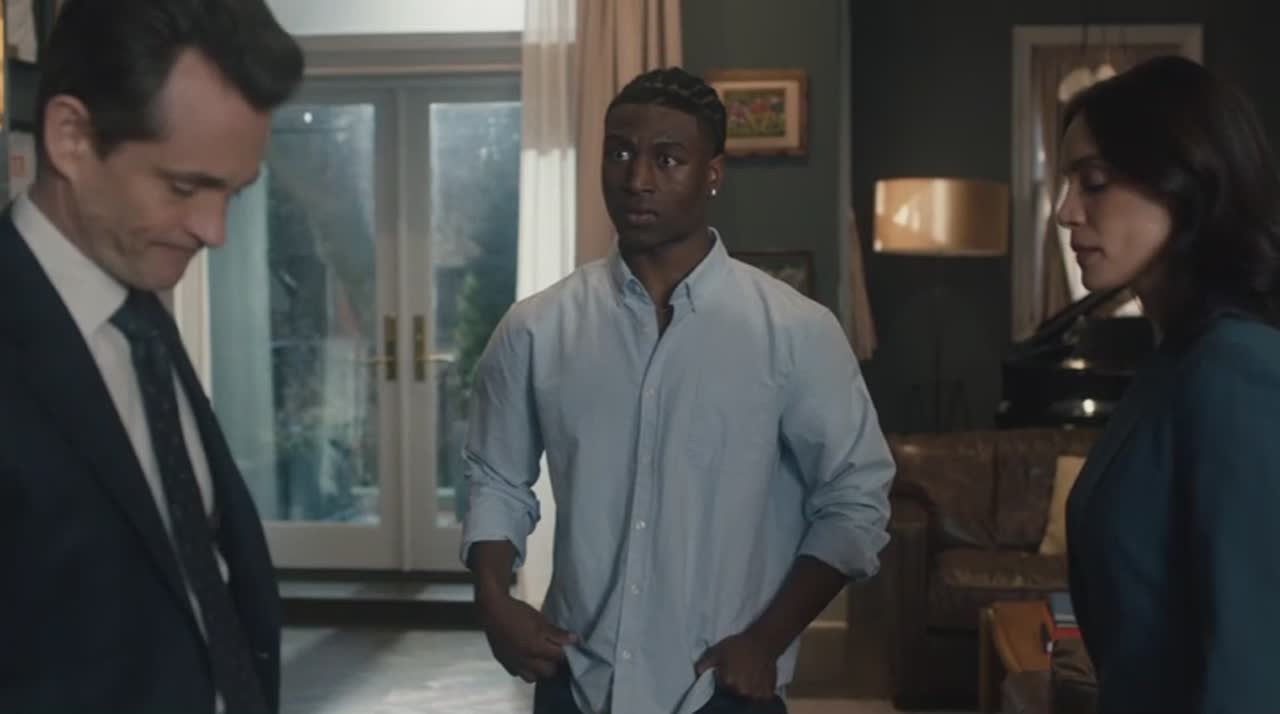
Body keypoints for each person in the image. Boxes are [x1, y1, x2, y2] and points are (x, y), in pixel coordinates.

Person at [461, 67, 894, 714]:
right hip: (575, 683)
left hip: (724, 687)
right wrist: (494, 602)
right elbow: (495, 478)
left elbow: (855, 500)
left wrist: (767, 640)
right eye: (619, 153)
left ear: (712, 174)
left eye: (667, 159)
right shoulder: (536, 329)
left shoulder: (795, 333)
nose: (637, 178)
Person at [0, 1, 302, 712]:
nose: (213, 231)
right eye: (184, 187)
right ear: (72, 138)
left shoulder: (140, 314)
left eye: (233, 193)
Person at [1059, 55, 1280, 713]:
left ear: (1187, 185)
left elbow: (1253, 661)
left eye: (1093, 183)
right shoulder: (1172, 361)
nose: (1065, 212)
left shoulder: (1238, 368)